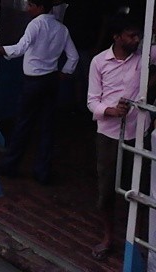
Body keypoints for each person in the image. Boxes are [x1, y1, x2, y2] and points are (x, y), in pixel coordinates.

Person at [0, 0, 79, 184]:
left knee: (23, 124)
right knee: (47, 126)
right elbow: (73, 57)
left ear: (40, 7)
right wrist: (64, 74)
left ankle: (11, 165)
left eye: (30, 5)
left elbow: (19, 49)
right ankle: (42, 171)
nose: (27, 8)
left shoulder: (35, 25)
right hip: (51, 81)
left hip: (33, 82)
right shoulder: (61, 28)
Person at [87, 14, 156, 261]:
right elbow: (92, 100)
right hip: (108, 134)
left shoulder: (144, 58)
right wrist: (111, 111)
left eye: (138, 35)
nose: (136, 39)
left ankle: (134, 241)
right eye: (131, 35)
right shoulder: (98, 62)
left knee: (138, 191)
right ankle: (108, 237)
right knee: (106, 191)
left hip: (138, 135)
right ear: (116, 37)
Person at [55, 0, 118, 109]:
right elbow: (56, 1)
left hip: (89, 41)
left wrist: (98, 44)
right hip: (72, 40)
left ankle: (93, 107)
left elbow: (105, 21)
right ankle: (80, 106)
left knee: (90, 76)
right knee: (77, 76)